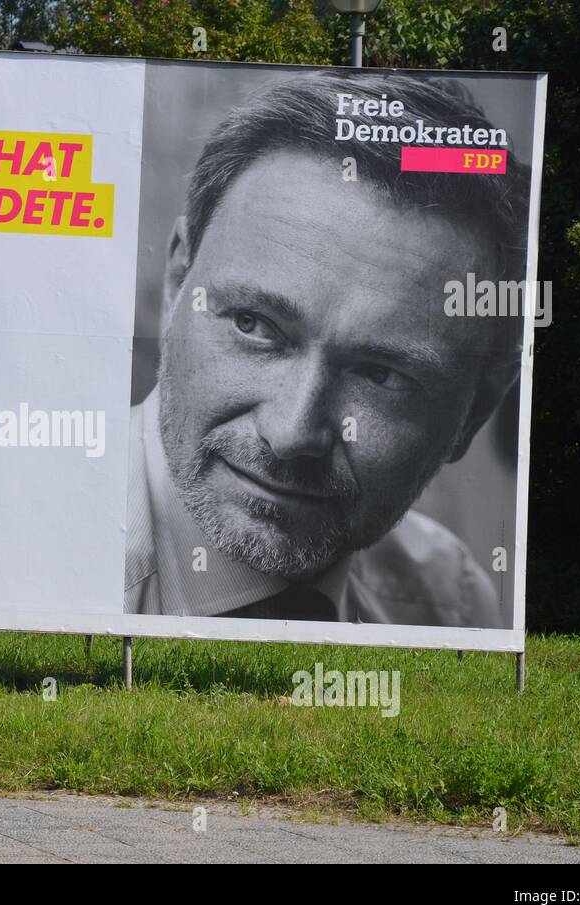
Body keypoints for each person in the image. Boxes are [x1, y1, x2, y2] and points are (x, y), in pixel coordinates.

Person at [125, 71, 531, 627]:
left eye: (381, 375)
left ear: (475, 412)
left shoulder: (452, 603)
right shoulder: (13, 561)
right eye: (254, 324)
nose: (293, 434)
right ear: (177, 285)